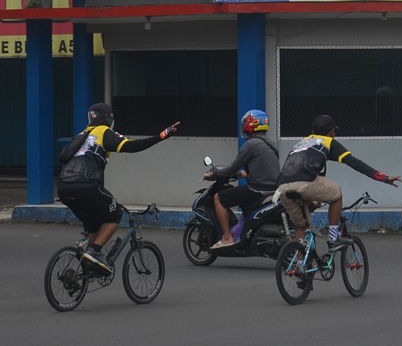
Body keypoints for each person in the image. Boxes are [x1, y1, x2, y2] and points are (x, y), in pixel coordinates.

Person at [58, 103, 180, 273]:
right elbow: (131, 147)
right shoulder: (103, 131)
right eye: (111, 116)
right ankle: (95, 251)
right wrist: (162, 135)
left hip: (64, 187)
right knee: (115, 214)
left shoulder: (82, 134)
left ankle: (86, 262)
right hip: (86, 185)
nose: (113, 119)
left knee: (94, 223)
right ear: (105, 118)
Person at [275, 115, 402, 251]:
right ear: (331, 131)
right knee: (336, 194)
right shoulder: (329, 142)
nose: (334, 133)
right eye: (334, 131)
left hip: (283, 187)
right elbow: (355, 163)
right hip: (305, 182)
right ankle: (333, 238)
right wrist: (383, 177)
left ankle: (300, 265)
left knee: (302, 226)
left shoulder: (300, 143)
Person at [203, 109, 280, 249]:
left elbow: (231, 168)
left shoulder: (250, 145)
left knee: (218, 198)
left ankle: (227, 238)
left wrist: (214, 175)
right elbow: (254, 171)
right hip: (272, 191)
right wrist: (238, 175)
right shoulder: (272, 145)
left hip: (256, 190)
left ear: (251, 124)